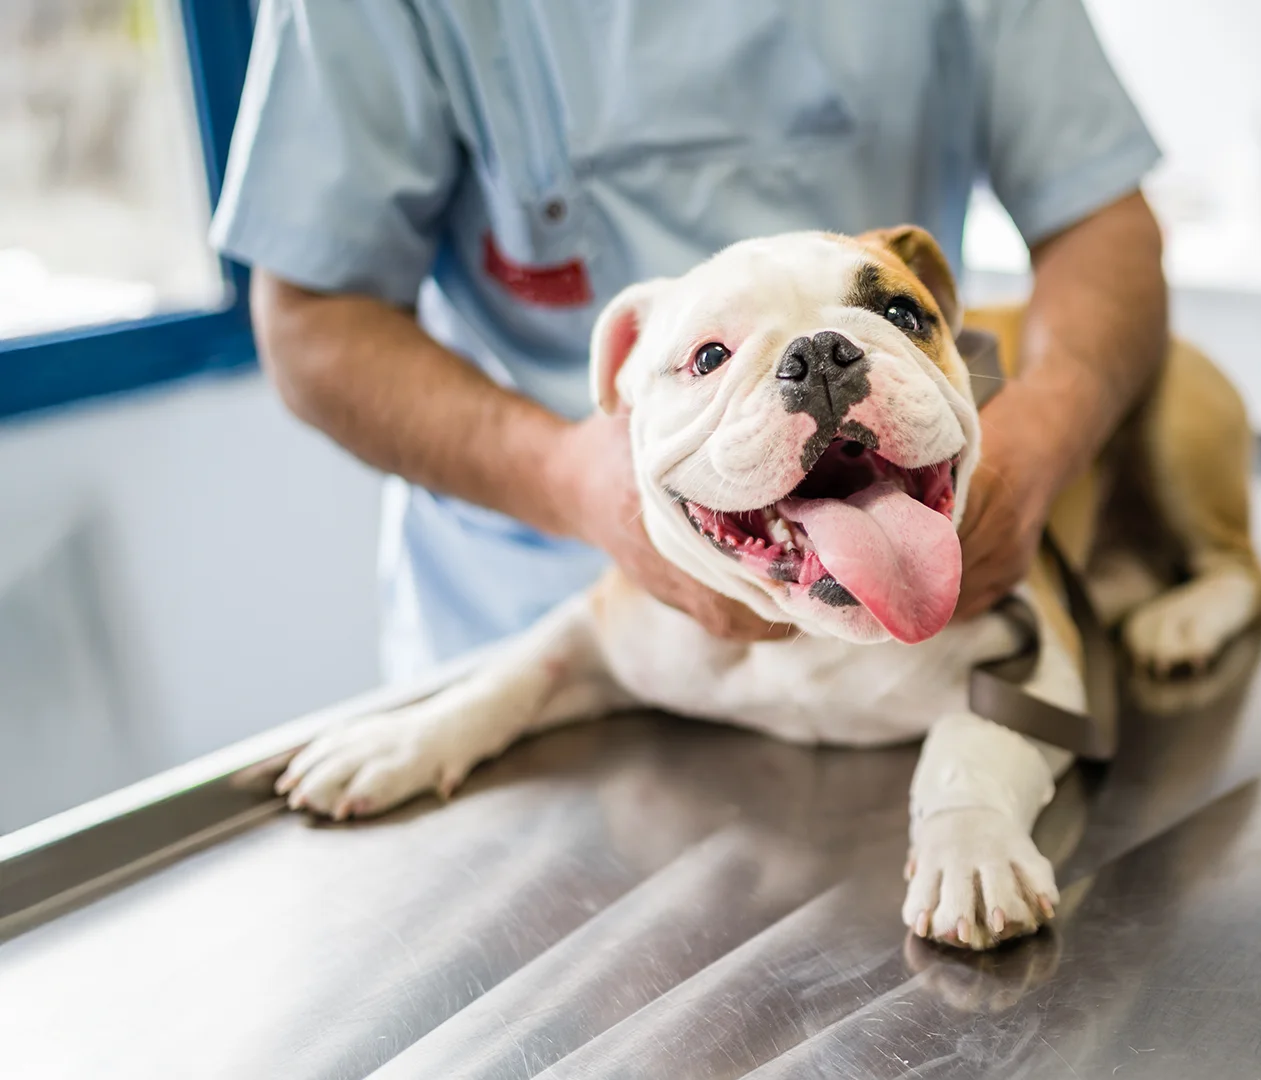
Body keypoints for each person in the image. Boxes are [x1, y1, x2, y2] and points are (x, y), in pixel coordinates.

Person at [212, 0, 1169, 680]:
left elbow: (1099, 217)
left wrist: (1041, 437)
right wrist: (570, 481)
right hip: (534, 618)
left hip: (911, 588)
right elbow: (309, 316)